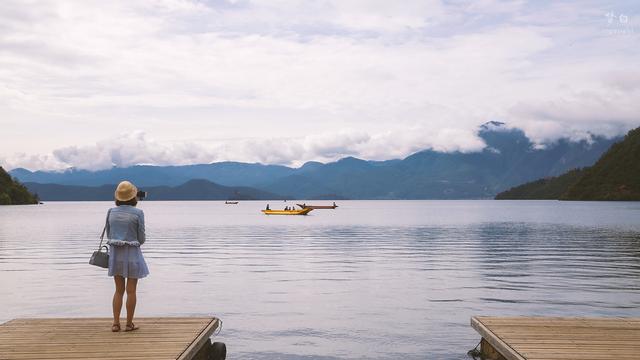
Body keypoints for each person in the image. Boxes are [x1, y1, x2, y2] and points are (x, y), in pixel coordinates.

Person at [106, 181, 149, 332]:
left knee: (118, 290)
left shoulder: (111, 212)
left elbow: (109, 235)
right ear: (134, 196)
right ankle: (129, 324)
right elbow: (141, 238)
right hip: (132, 253)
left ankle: (115, 324)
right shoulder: (138, 213)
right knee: (131, 290)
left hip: (116, 253)